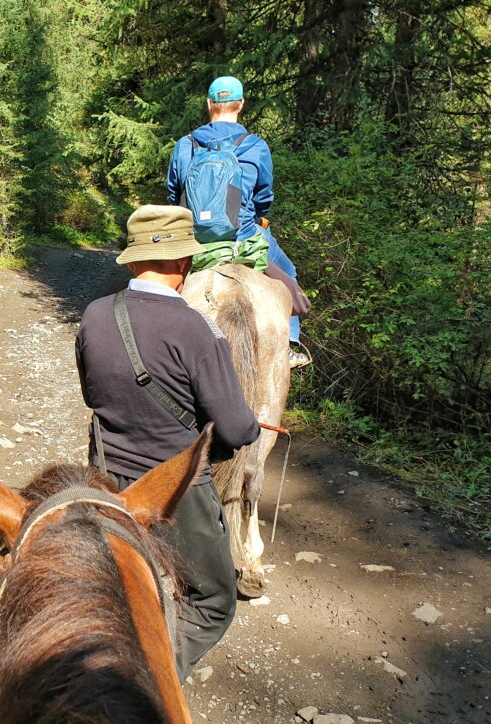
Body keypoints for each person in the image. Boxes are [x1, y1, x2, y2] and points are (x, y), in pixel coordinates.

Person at [75, 204, 260, 682]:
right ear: (184, 264)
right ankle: (147, 681)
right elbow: (237, 430)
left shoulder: (95, 315)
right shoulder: (194, 329)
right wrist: (255, 424)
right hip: (175, 492)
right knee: (212, 601)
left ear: (133, 261)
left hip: (107, 482)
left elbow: (92, 395)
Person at [166, 75, 310, 368]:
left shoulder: (185, 144)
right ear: (241, 104)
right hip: (243, 235)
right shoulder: (255, 146)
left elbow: (173, 190)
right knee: (289, 270)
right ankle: (289, 346)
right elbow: (264, 196)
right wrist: (256, 216)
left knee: (164, 284)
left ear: (209, 104)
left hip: (195, 239)